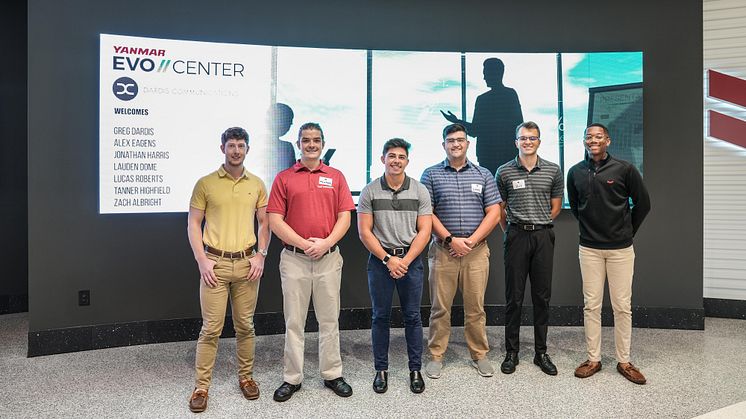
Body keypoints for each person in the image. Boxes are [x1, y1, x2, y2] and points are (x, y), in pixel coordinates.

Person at [267, 122, 356, 401]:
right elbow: (275, 221)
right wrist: (305, 244)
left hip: (329, 257)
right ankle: (292, 378)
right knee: (294, 321)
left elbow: (345, 216)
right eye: (306, 140)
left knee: (329, 319)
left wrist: (327, 243)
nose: (311, 144)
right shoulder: (284, 178)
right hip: (295, 259)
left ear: (322, 142)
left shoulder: (336, 176)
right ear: (298, 143)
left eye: (316, 140)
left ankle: (332, 374)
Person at [186, 127, 270, 413]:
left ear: (248, 149)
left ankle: (246, 378)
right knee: (211, 329)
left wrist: (261, 255)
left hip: (247, 265)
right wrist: (202, 260)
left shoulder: (257, 184)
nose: (236, 150)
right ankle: (201, 387)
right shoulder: (205, 184)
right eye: (231, 145)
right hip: (215, 265)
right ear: (222, 148)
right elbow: (194, 224)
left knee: (245, 325)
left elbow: (265, 223)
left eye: (241, 145)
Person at [567, 123, 651, 385]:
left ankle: (624, 361)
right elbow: (577, 207)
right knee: (591, 305)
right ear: (584, 141)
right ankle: (593, 359)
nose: (593, 140)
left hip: (620, 250)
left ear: (608, 140)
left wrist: (625, 231)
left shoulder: (624, 169)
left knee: (622, 307)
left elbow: (644, 204)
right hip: (589, 249)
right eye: (589, 137)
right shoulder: (575, 172)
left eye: (598, 136)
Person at [420, 123, 502, 379]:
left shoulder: (483, 174)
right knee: (439, 308)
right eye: (451, 140)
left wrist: (471, 242)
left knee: (475, 308)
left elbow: (494, 212)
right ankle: (436, 355)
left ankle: (479, 354)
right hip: (443, 252)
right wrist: (450, 240)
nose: (456, 144)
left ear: (468, 143)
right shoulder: (431, 174)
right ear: (443, 144)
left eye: (460, 140)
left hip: (476, 253)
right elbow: (427, 213)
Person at [358, 138, 432, 394]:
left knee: (413, 317)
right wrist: (389, 260)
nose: (396, 161)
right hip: (381, 263)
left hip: (411, 263)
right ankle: (381, 370)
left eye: (401, 157)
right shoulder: (370, 191)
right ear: (383, 159)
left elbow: (425, 230)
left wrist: (406, 261)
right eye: (391, 156)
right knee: (380, 317)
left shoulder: (420, 190)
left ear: (407, 161)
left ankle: (415, 369)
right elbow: (365, 232)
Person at [495, 121, 563, 376]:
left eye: (532, 138)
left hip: (543, 236)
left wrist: (539, 222)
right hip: (516, 236)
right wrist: (511, 232)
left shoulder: (553, 170)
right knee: (514, 297)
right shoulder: (504, 172)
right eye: (523, 138)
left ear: (539, 141)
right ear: (516, 142)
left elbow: (555, 207)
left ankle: (541, 352)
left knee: (542, 297)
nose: (527, 142)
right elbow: (499, 209)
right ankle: (511, 352)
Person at [441, 58, 523, 175]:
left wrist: (456, 121)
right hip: (506, 154)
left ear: (496, 74)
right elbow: (519, 127)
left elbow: (475, 130)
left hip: (488, 154)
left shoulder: (483, 99)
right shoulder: (510, 95)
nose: (484, 77)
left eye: (486, 73)